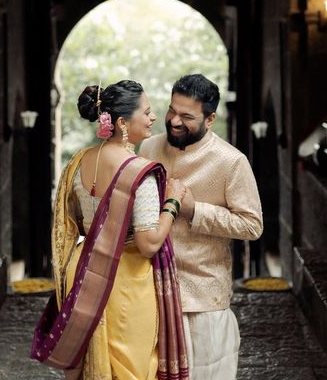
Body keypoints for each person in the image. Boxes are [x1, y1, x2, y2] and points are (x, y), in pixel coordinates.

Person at [31, 80, 189, 380]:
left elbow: (73, 220)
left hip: (84, 272)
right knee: (131, 370)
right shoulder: (138, 172)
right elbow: (148, 244)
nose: (153, 118)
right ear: (121, 122)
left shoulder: (78, 163)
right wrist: (173, 202)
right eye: (147, 111)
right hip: (126, 279)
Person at [139, 74, 263, 380]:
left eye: (187, 116)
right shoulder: (148, 149)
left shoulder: (231, 162)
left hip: (204, 303)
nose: (174, 121)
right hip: (149, 294)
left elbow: (252, 225)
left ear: (210, 119)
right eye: (172, 111)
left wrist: (196, 210)